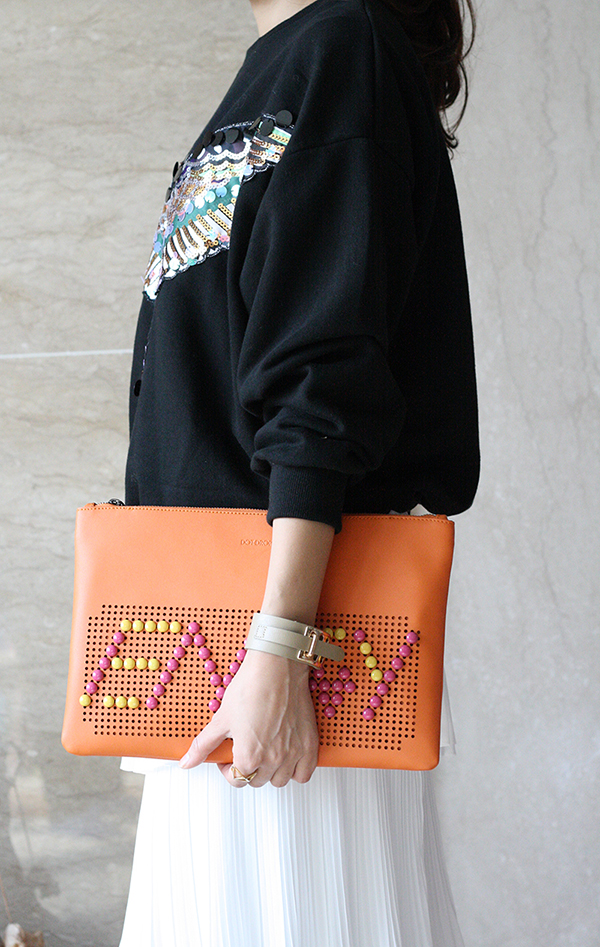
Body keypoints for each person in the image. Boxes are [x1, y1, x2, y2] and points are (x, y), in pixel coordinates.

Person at [119, 0, 479, 944]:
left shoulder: (341, 47)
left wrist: (280, 648)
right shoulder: (287, 62)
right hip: (222, 644)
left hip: (282, 649)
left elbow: (324, 373)